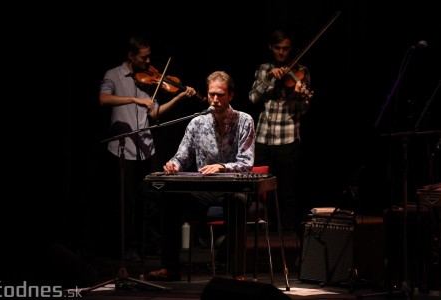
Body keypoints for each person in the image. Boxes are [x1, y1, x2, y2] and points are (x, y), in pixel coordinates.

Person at [146, 70, 256, 281]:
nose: (215, 99)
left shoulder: (244, 121)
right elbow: (181, 156)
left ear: (230, 95)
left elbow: (245, 164)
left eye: (220, 95)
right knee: (169, 199)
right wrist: (173, 165)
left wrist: (222, 167)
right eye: (211, 94)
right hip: (204, 190)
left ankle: (237, 273)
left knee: (238, 203)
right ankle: (170, 268)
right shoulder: (197, 122)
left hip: (231, 189)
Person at [98, 35, 197, 259]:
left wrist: (179, 96)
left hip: (146, 148)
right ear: (131, 55)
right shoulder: (113, 75)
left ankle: (151, 249)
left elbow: (153, 112)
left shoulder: (148, 80)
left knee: (152, 201)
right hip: (122, 149)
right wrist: (134, 100)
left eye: (149, 56)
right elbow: (103, 99)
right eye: (144, 57)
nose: (149, 61)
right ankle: (127, 249)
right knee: (126, 204)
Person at [249, 29, 313, 232]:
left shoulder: (301, 71)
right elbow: (252, 98)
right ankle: (259, 236)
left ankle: (286, 237)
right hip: (263, 137)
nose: (282, 53)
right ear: (271, 47)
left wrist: (299, 96)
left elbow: (303, 110)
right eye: (277, 48)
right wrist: (268, 78)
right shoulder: (263, 69)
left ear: (291, 49)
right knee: (259, 191)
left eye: (285, 49)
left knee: (286, 191)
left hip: (288, 138)